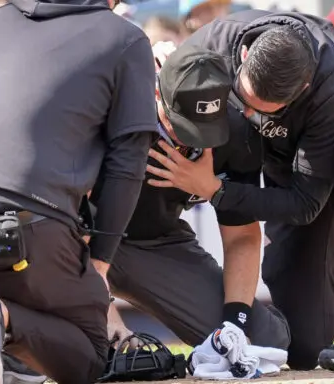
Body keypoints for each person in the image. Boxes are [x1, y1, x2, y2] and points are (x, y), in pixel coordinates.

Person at [146, 9, 334, 372]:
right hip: (302, 178)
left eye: (261, 111)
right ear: (244, 56)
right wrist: (159, 62)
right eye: (242, 101)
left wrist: (215, 190)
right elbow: (165, 76)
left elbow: (305, 204)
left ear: (303, 89)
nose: (246, 116)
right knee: (306, 346)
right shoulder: (215, 44)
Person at [0, 0, 157, 382]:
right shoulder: (126, 38)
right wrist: (100, 260)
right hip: (29, 221)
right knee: (92, 353)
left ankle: (1, 329)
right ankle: (5, 321)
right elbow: (128, 165)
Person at [92, 44, 291, 355]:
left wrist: (234, 326)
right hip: (78, 244)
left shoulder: (237, 131)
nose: (193, 139)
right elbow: (61, 218)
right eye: (182, 126)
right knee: (83, 345)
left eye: (207, 129)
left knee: (262, 340)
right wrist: (103, 312)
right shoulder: (113, 111)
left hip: (155, 243)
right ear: (157, 93)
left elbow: (241, 234)